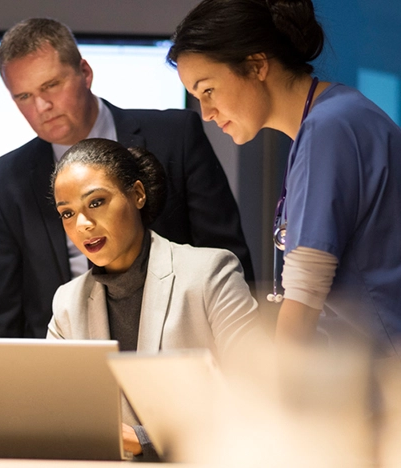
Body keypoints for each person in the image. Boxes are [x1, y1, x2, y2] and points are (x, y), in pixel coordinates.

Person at [168, 0, 401, 349]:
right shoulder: (339, 117)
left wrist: (273, 385)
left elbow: (305, 292)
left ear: (256, 65)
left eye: (208, 90)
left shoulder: (330, 128)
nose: (206, 113)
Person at [0, 18, 253, 338]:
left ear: (85, 72)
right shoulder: (6, 178)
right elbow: (0, 309)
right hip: (64, 358)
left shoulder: (176, 137)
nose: (42, 106)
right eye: (23, 96)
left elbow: (228, 258)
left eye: (51, 85)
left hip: (183, 344)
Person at [48, 139, 259, 459]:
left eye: (96, 202)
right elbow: (57, 412)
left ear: (137, 194)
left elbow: (257, 395)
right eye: (67, 213)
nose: (82, 225)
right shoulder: (67, 302)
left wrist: (146, 438)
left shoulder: (210, 273)